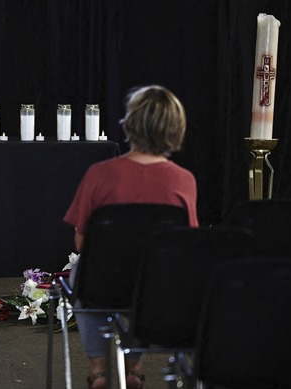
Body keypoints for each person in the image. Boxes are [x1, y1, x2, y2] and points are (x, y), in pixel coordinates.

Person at [64, 85, 198, 389]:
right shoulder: (184, 181)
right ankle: (134, 368)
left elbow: (81, 244)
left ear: (131, 123)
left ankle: (98, 370)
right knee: (144, 283)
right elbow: (186, 246)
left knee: (81, 277)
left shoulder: (99, 174)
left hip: (103, 283)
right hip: (158, 287)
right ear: (175, 128)